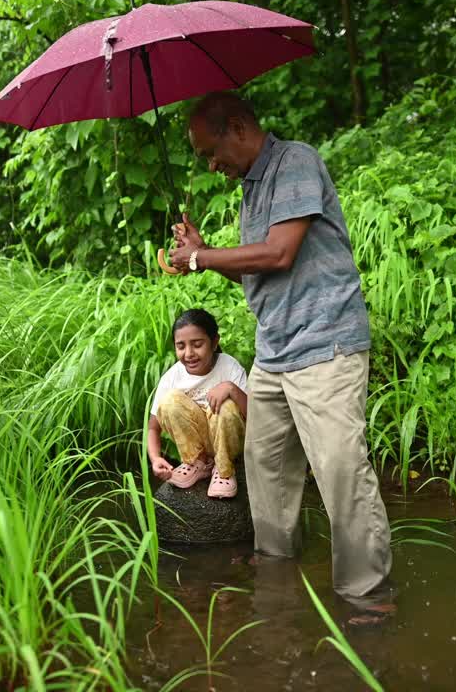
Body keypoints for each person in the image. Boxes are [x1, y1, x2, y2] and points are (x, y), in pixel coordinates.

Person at [167, 91, 393, 604]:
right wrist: (203, 253)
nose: (210, 164)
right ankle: (276, 568)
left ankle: (368, 595)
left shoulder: (295, 161)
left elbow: (279, 253)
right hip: (275, 353)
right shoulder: (251, 190)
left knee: (339, 469)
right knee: (265, 466)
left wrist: (203, 256)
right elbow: (258, 273)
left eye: (210, 151)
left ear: (240, 127)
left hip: (325, 345)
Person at [147, 308, 249, 499]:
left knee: (226, 405)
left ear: (214, 341)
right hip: (198, 444)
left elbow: (255, 418)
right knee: (169, 401)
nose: (189, 353)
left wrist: (231, 389)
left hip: (229, 440)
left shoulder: (229, 367)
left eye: (197, 344)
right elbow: (153, 428)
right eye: (181, 346)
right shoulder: (172, 377)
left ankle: (224, 469)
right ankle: (197, 462)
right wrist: (155, 458)